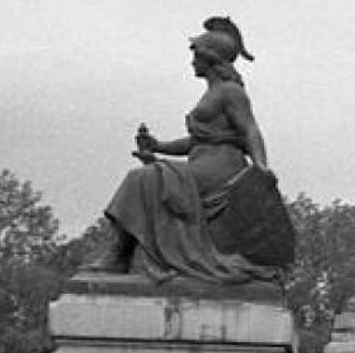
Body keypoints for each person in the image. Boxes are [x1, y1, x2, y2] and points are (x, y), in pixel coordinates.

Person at [84, 16, 291, 284]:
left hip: (221, 171)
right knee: (147, 176)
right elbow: (198, 141)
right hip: (201, 165)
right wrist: (158, 147)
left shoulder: (231, 92)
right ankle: (121, 254)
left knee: (142, 179)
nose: (192, 61)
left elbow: (250, 129)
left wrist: (261, 168)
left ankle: (119, 254)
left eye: (195, 55)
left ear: (210, 58)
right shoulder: (211, 94)